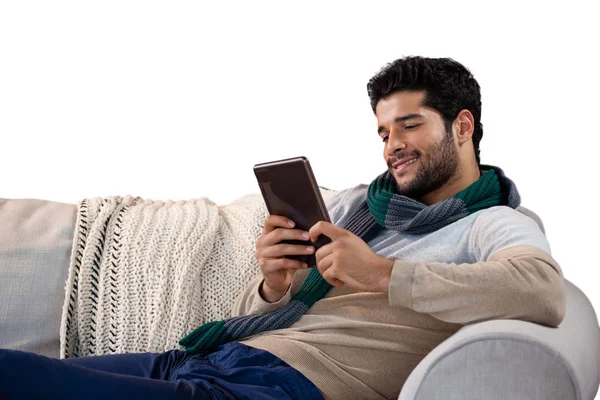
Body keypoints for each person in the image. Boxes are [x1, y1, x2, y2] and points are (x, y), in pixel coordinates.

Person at [0, 56, 565, 400]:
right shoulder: (358, 209)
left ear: (463, 126)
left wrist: (385, 274)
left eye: (409, 126)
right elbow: (271, 309)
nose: (392, 146)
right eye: (383, 132)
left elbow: (541, 291)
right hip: (215, 357)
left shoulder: (493, 222)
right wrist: (274, 282)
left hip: (277, 388)